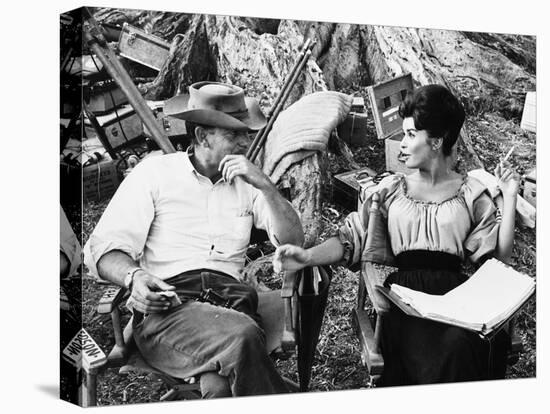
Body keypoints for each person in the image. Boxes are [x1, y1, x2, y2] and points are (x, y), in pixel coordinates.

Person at [273, 84, 520, 386]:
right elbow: (350, 240)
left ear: (437, 141)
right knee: (437, 353)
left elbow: (499, 260)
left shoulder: (469, 193)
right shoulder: (389, 191)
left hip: (456, 300)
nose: (402, 143)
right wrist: (306, 256)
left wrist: (509, 197)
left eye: (411, 134)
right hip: (404, 301)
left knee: (461, 345)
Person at [84, 81, 304, 397]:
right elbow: (104, 250)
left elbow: (294, 240)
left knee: (218, 388)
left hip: (231, 304)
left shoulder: (247, 183)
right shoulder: (155, 174)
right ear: (201, 136)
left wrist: (266, 186)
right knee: (243, 336)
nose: (245, 143)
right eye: (233, 135)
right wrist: (135, 277)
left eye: (246, 133)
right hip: (170, 308)